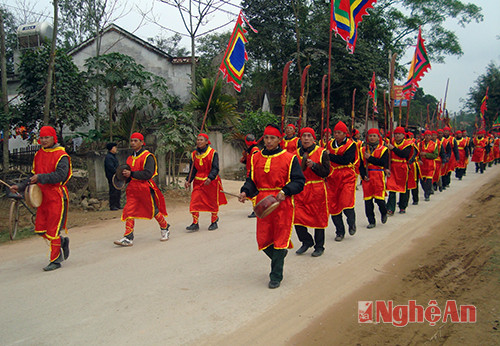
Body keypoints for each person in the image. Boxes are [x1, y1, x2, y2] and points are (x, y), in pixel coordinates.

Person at [239, 124, 305, 289]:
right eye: (266, 138)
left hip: (282, 203)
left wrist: (286, 191)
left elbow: (299, 181)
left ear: (279, 140)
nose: (268, 141)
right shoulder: (255, 157)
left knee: (280, 238)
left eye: (272, 138)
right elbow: (252, 181)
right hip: (263, 204)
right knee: (263, 239)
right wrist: (245, 192)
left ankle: (276, 275)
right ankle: (280, 255)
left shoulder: (290, 158)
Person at [10, 126, 72, 271]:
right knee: (41, 229)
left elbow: (61, 176)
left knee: (53, 230)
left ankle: (55, 260)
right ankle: (62, 242)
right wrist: (19, 186)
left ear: (53, 138)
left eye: (47, 138)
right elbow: (32, 177)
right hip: (41, 196)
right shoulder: (38, 154)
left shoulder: (61, 155)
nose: (43, 140)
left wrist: (41, 177)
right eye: (42, 138)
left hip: (56, 196)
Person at [114, 132, 169, 246]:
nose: (133, 143)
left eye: (135, 141)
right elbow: (129, 175)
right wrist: (123, 178)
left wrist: (131, 174)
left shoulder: (148, 156)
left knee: (153, 211)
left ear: (142, 142)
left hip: (145, 188)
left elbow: (148, 174)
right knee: (129, 211)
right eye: (132, 141)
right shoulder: (130, 158)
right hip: (132, 189)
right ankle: (128, 237)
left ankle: (165, 227)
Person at [293, 127, 330, 257]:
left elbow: (326, 172)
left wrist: (314, 166)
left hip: (317, 189)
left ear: (314, 138)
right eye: (304, 136)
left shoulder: (322, 152)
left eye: (309, 136)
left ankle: (319, 246)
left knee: (318, 218)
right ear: (300, 138)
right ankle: (306, 241)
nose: (306, 138)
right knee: (297, 217)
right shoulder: (295, 153)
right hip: (301, 189)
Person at [185, 133, 227, 231]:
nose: (199, 141)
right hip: (198, 181)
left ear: (206, 142)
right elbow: (192, 169)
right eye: (198, 140)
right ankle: (195, 223)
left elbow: (215, 168)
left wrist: (210, 177)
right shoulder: (194, 154)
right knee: (194, 201)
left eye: (201, 140)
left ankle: (214, 220)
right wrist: (188, 180)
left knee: (212, 202)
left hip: (210, 182)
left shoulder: (213, 153)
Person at [326, 121, 357, 241]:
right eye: (335, 132)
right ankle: (339, 231)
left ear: (345, 134)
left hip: (346, 176)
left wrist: (330, 156)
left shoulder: (351, 145)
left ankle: (351, 221)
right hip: (332, 176)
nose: (336, 135)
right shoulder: (329, 144)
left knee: (346, 202)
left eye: (339, 133)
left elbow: (346, 160)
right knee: (333, 205)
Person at [359, 128, 389, 229]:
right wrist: (363, 175)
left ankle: (384, 212)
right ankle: (371, 220)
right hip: (367, 177)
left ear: (378, 137)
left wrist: (370, 158)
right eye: (370, 136)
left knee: (379, 199)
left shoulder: (383, 149)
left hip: (378, 175)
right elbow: (360, 165)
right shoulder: (362, 149)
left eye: (374, 136)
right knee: (368, 201)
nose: (372, 138)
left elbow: (383, 162)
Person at [386, 126, 412, 215]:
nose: (397, 136)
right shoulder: (390, 142)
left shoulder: (407, 144)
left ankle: (402, 206)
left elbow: (403, 154)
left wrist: (393, 148)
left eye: (399, 134)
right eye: (396, 134)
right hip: (392, 167)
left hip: (402, 167)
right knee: (391, 188)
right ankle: (390, 208)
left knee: (403, 188)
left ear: (403, 135)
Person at [240, 134, 260, 218]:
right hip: (249, 171)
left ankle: (256, 210)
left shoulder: (254, 150)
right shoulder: (250, 150)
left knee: (254, 192)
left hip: (253, 172)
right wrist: (244, 158)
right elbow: (247, 162)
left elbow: (255, 162)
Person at [418, 130, 438, 201]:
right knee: (422, 181)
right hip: (422, 165)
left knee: (429, 181)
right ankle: (425, 191)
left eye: (429, 135)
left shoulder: (434, 144)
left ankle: (427, 194)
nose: (427, 137)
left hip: (430, 165)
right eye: (426, 135)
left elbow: (435, 155)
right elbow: (416, 154)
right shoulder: (419, 144)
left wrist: (426, 154)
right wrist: (419, 159)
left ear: (431, 136)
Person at [104, 142, 121, 210]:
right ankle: (113, 205)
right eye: (115, 147)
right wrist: (117, 172)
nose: (116, 149)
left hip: (116, 176)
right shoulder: (109, 157)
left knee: (117, 190)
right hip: (112, 176)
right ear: (111, 149)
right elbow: (111, 167)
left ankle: (117, 204)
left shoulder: (113, 156)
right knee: (113, 190)